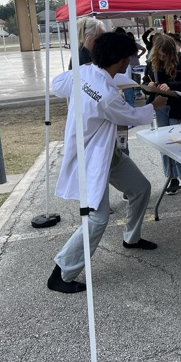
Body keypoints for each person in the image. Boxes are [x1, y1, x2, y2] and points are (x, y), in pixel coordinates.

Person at [47, 32, 168, 294]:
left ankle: (131, 238)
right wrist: (156, 104)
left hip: (107, 153)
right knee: (97, 219)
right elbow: (132, 116)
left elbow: (56, 85)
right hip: (91, 159)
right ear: (119, 59)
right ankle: (62, 272)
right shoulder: (105, 94)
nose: (130, 62)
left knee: (140, 188)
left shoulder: (85, 73)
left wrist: (139, 87)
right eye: (128, 57)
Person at [144, 34, 181, 195]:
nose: (162, 56)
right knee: (164, 143)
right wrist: (149, 84)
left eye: (165, 54)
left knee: (180, 141)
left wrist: (170, 85)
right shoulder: (151, 63)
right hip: (160, 107)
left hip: (177, 106)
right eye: (159, 54)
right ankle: (171, 176)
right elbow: (144, 82)